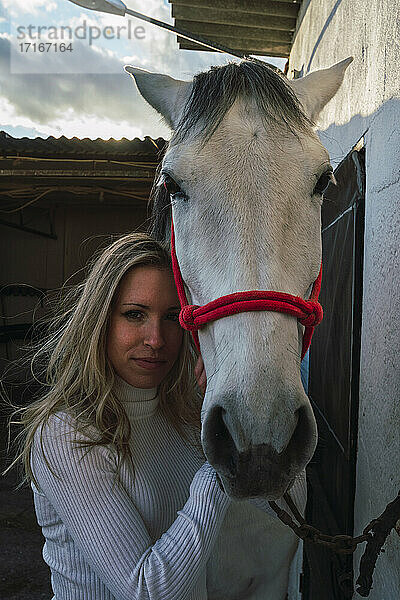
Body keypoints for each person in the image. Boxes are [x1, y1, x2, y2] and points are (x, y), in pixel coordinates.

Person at [11, 233, 231, 600]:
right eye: (135, 315)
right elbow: (145, 589)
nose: (157, 339)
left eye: (172, 317)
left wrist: (227, 406)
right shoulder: (67, 434)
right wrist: (222, 457)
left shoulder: (184, 413)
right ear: (100, 321)